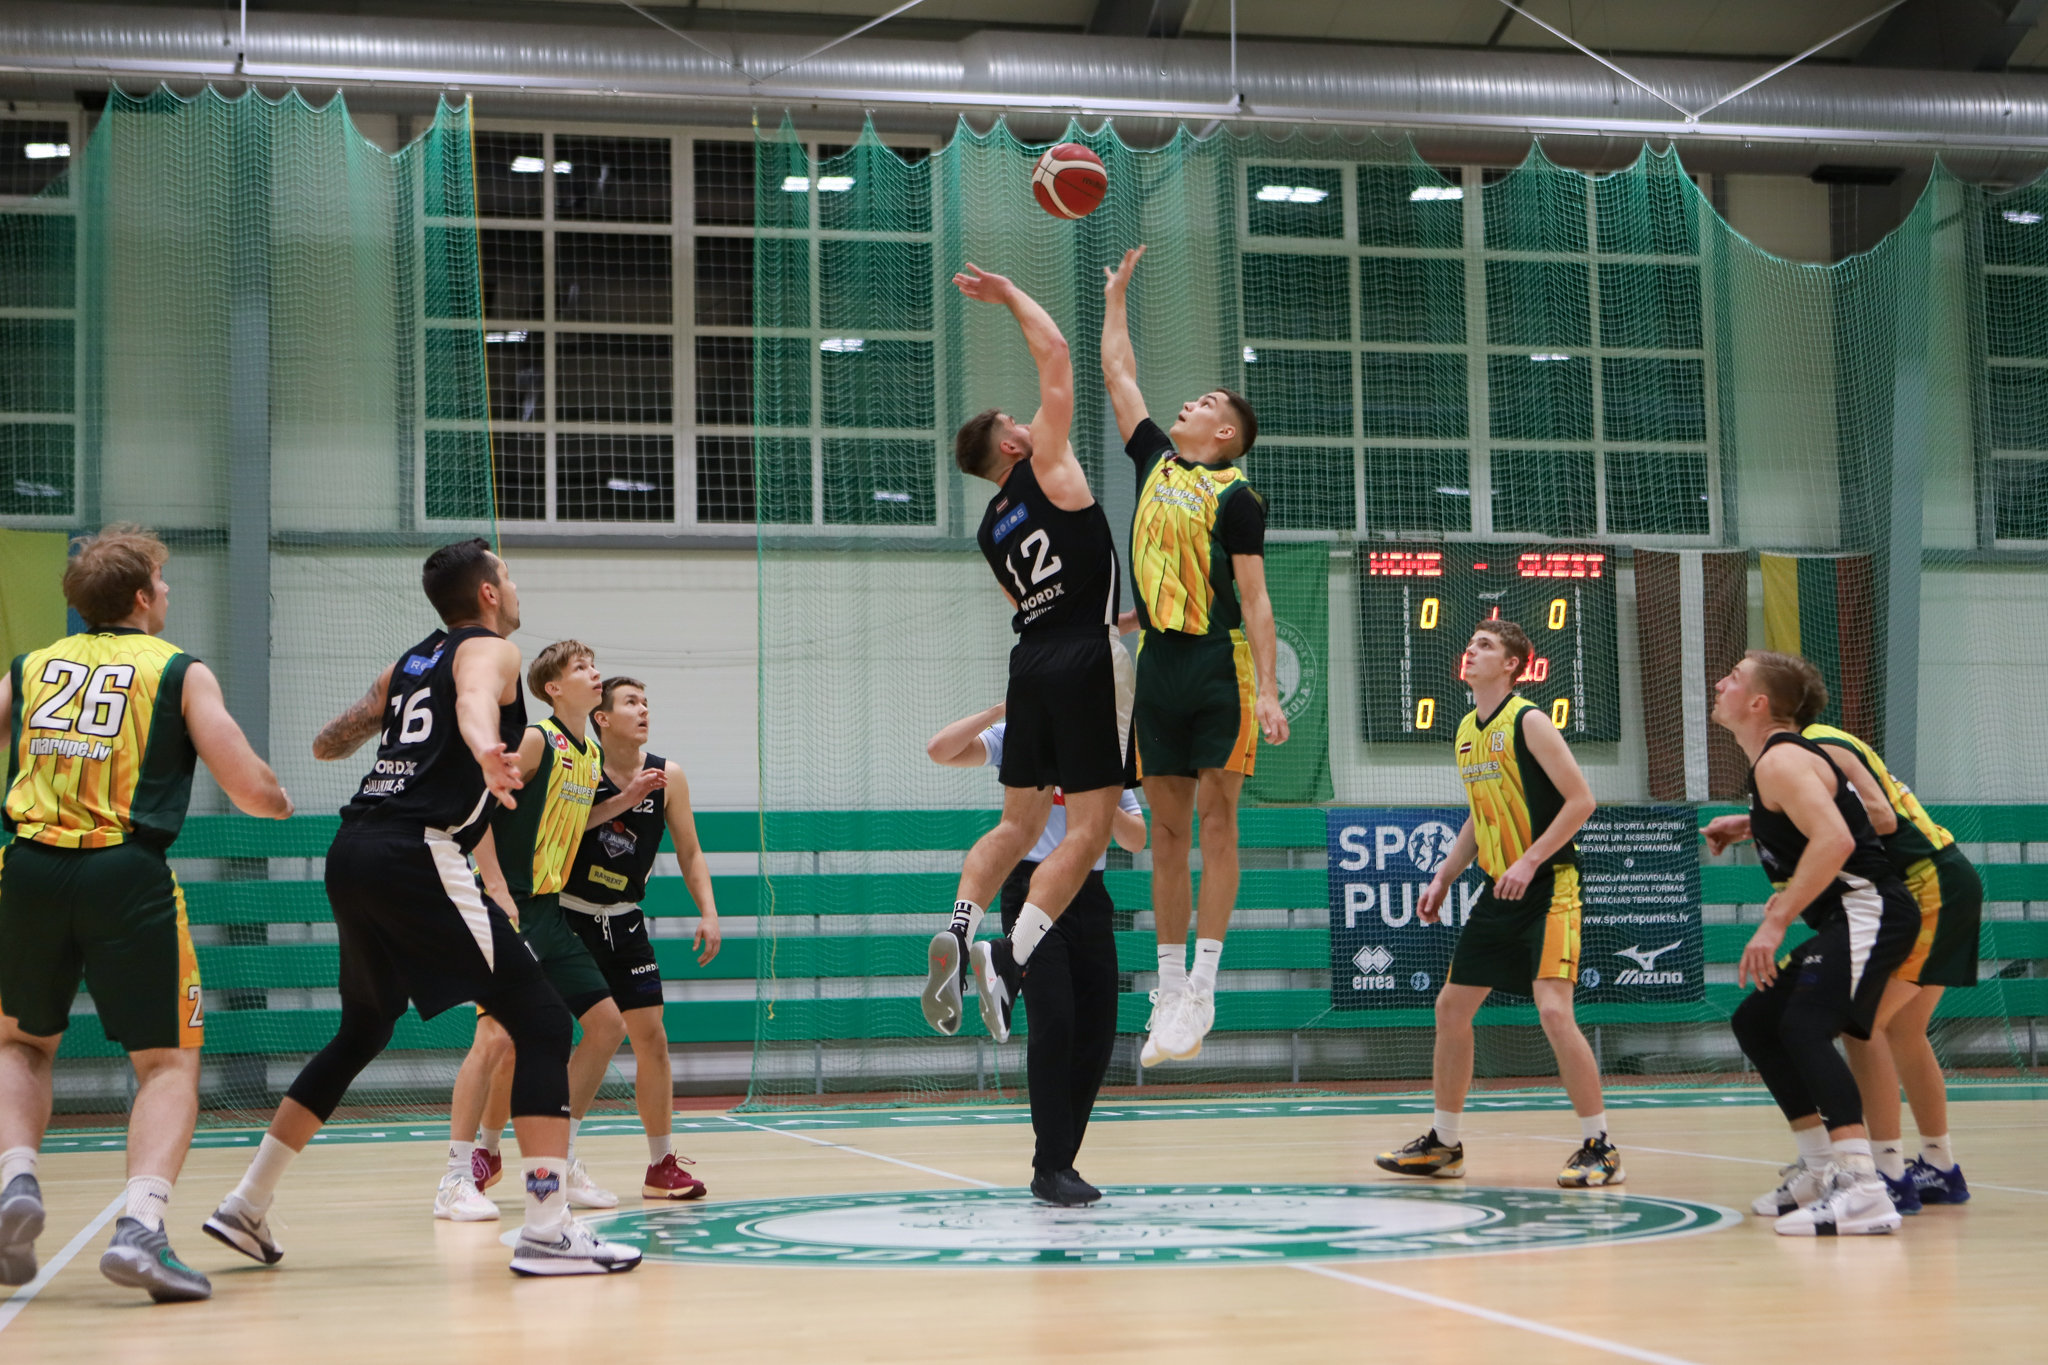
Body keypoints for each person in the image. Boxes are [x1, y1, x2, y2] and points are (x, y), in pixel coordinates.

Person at [203, 540, 640, 1276]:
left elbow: (338, 735)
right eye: (509, 573)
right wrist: (482, 747)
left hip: (354, 846)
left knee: (363, 1029)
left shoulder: (408, 662)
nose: (514, 583)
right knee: (537, 1019)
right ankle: (546, 1227)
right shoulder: (493, 652)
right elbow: (474, 701)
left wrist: (340, 738)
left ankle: (246, 1202)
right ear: (490, 594)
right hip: (417, 850)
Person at [0, 525, 292, 1303]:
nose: (167, 593)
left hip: (26, 867)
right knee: (165, 1063)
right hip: (124, 874)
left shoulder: (29, 668)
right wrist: (277, 797)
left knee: (21, 1043)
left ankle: (14, 1180)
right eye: (162, 582)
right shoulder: (178, 670)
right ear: (140, 596)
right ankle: (140, 1227)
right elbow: (251, 789)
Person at [932, 262, 1133, 1048]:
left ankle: (958, 924)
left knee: (1017, 822)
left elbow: (1026, 605)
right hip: (1087, 654)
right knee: (1087, 828)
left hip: (1031, 663)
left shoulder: (991, 528)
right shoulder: (1047, 464)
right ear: (1015, 443)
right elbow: (1056, 356)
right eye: (1020, 420)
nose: (1032, 420)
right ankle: (1008, 962)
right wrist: (1014, 293)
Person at [1100, 245, 1288, 1067]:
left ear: (1225, 434)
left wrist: (1271, 690)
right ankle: (1168, 987)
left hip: (1220, 664)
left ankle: (1206, 982)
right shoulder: (1153, 460)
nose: (1187, 401)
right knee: (1164, 834)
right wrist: (1114, 298)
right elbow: (1117, 374)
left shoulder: (1238, 496)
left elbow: (1256, 600)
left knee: (1218, 822)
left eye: (1206, 401)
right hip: (1160, 667)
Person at [1375, 619, 1623, 1189]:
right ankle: (1444, 1144)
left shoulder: (1529, 720)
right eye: (1470, 643)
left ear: (1512, 664)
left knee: (1555, 1011)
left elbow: (1581, 800)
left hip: (1549, 882)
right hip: (1498, 889)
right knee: (1450, 1009)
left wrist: (1531, 859)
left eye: (1484, 645)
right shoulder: (1464, 729)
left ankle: (1601, 1146)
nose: (1470, 650)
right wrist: (1443, 875)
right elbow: (1479, 814)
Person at [1706, 709, 1981, 1215]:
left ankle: (1886, 1174)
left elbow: (1878, 817)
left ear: (1768, 702)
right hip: (1936, 880)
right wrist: (1758, 824)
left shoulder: (1809, 749)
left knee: (1859, 1025)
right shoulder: (1813, 745)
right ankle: (1938, 1165)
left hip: (1926, 883)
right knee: (1902, 1031)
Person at [1708, 651, 1921, 1236]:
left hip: (1871, 907)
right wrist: (1748, 824)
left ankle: (1862, 1189)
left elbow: (1835, 841)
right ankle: (1820, 1167)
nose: (1719, 683)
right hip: (1847, 915)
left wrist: (1775, 922)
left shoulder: (1782, 761)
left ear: (1758, 703)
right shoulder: (1774, 765)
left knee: (1804, 1024)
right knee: (1757, 1020)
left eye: (1734, 678)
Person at [437, 640, 628, 1220]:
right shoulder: (536, 739)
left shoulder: (590, 752)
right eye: (581, 668)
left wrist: (623, 803)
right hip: (506, 904)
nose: (595, 673)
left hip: (550, 910)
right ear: (553, 688)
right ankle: (455, 1176)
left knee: (606, 1026)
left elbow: (566, 817)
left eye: (594, 665)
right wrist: (495, 889)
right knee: (495, 1040)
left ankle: (562, 1158)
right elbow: (481, 811)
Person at [927, 702, 1145, 1206]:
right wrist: (1003, 710)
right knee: (1055, 1024)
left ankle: (1061, 1160)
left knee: (1098, 1031)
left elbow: (1136, 839)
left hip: (1090, 895)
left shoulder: (1106, 751)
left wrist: (1098, 797)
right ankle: (1051, 1166)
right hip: (1030, 894)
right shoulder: (1022, 735)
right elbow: (941, 750)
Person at [556, 675, 721, 1200]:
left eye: (647, 702)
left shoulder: (667, 775)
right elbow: (555, 834)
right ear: (601, 718)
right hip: (568, 917)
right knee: (540, 1038)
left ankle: (660, 1166)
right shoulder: (580, 768)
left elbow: (690, 851)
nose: (644, 709)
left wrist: (709, 912)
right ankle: (535, 1154)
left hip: (624, 922)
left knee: (652, 1040)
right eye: (631, 702)